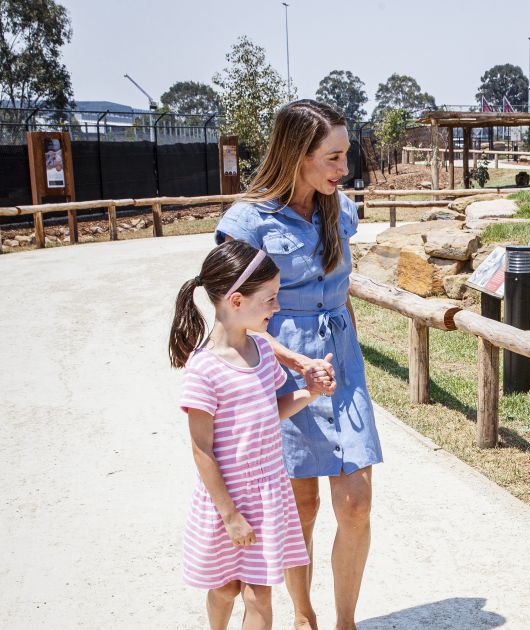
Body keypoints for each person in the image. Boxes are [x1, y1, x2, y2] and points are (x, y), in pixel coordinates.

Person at [214, 99, 380, 630]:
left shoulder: (340, 210)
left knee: (355, 502)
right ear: (296, 156)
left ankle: (345, 622)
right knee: (300, 505)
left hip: (340, 361)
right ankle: (303, 616)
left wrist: (346, 354)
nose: (343, 168)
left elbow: (343, 290)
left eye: (345, 155)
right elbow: (225, 306)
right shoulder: (248, 221)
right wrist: (286, 359)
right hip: (280, 363)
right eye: (332, 158)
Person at [170, 240, 336, 630]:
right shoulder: (204, 369)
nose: (276, 308)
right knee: (225, 588)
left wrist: (310, 391)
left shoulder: (262, 349)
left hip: (266, 494)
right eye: (270, 299)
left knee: (260, 593)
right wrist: (229, 516)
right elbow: (202, 450)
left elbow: (269, 411)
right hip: (225, 501)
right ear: (237, 300)